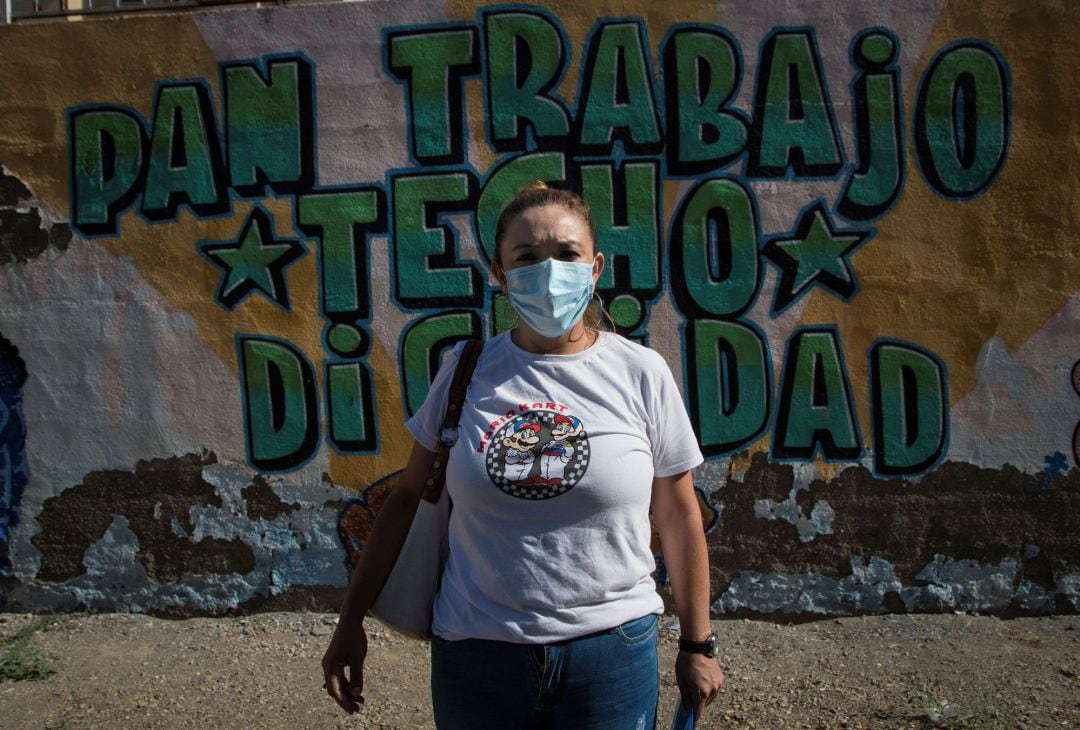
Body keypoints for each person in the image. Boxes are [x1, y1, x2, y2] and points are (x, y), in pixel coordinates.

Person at [322, 182, 724, 728]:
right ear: (500, 272)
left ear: (596, 267)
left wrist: (698, 643)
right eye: (527, 258)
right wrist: (350, 621)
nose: (550, 271)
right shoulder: (466, 370)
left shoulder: (641, 373)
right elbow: (406, 500)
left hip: (610, 652)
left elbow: (678, 515)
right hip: (476, 655)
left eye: (567, 254)